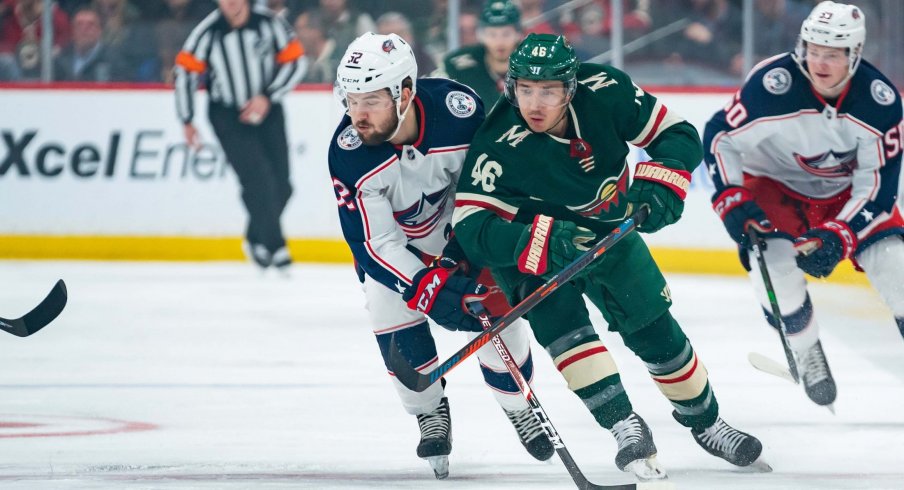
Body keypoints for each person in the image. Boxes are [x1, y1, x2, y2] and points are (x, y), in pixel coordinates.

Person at [451, 33, 765, 479]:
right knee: (568, 336)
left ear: (571, 87)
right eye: (525, 89)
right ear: (511, 87)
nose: (534, 103)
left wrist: (660, 182)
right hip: (534, 249)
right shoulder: (498, 140)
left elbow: (676, 134)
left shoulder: (607, 91)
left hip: (609, 232)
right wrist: (534, 241)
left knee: (658, 334)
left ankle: (708, 422)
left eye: (549, 91)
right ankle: (624, 426)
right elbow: (471, 228)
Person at [328, 32, 554, 480]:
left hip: (463, 236)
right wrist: (425, 284)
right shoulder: (350, 155)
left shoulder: (459, 112)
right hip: (398, 254)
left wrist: (465, 251)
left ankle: (519, 405)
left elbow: (489, 186)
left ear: (405, 93)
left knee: (499, 320)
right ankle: (427, 411)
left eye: (371, 100)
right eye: (350, 100)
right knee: (391, 322)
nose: (357, 115)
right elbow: (375, 244)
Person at [703, 1, 903, 407]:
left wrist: (839, 235)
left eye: (832, 53)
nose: (820, 62)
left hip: (847, 194)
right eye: (813, 49)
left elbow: (878, 188)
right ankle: (806, 348)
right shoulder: (771, 85)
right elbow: (719, 135)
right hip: (773, 185)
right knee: (774, 270)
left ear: (855, 54)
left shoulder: (880, 103)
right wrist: (730, 197)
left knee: (899, 269)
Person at [174, 0, 306, 270]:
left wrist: (268, 97)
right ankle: (276, 246)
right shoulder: (208, 32)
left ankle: (255, 237)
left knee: (283, 185)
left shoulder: (270, 24)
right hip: (227, 115)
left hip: (268, 111)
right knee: (256, 178)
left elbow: (296, 62)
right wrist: (187, 119)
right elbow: (185, 71)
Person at [434, 0, 522, 107]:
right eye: (492, 34)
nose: (499, 42)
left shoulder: (535, 63)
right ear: (481, 35)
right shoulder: (457, 65)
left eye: (506, 34)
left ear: (518, 34)